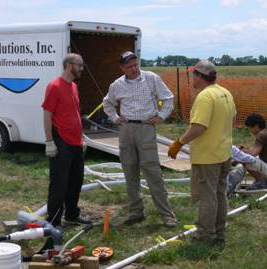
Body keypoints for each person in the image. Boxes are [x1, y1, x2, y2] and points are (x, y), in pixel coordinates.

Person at [103, 51, 176, 227]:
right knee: (129, 170)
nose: (134, 69)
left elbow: (168, 99)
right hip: (126, 129)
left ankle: (167, 214)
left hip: (146, 127)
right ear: (122, 68)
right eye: (129, 67)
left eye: (136, 64)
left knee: (152, 171)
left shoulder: (151, 78)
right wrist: (115, 118)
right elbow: (107, 103)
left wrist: (161, 116)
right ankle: (136, 212)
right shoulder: (117, 85)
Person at [168, 60, 236, 246]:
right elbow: (233, 120)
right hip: (224, 153)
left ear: (199, 75)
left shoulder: (205, 97)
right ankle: (219, 233)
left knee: (207, 197)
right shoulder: (225, 93)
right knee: (219, 194)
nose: (192, 79)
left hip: (208, 157)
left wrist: (179, 142)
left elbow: (198, 127)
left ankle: (205, 236)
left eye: (193, 75)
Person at [42, 53, 91, 227]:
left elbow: (74, 113)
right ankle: (54, 221)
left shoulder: (74, 87)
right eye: (80, 65)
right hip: (61, 140)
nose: (82, 69)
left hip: (76, 142)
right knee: (59, 183)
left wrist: (81, 137)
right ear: (69, 65)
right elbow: (47, 114)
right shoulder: (54, 86)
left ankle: (71, 215)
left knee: (76, 180)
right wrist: (49, 141)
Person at [227, 113, 267, 194]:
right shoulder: (265, 132)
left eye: (249, 128)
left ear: (256, 126)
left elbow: (253, 154)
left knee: (246, 161)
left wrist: (237, 155)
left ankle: (261, 182)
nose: (250, 131)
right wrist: (243, 151)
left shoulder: (261, 135)